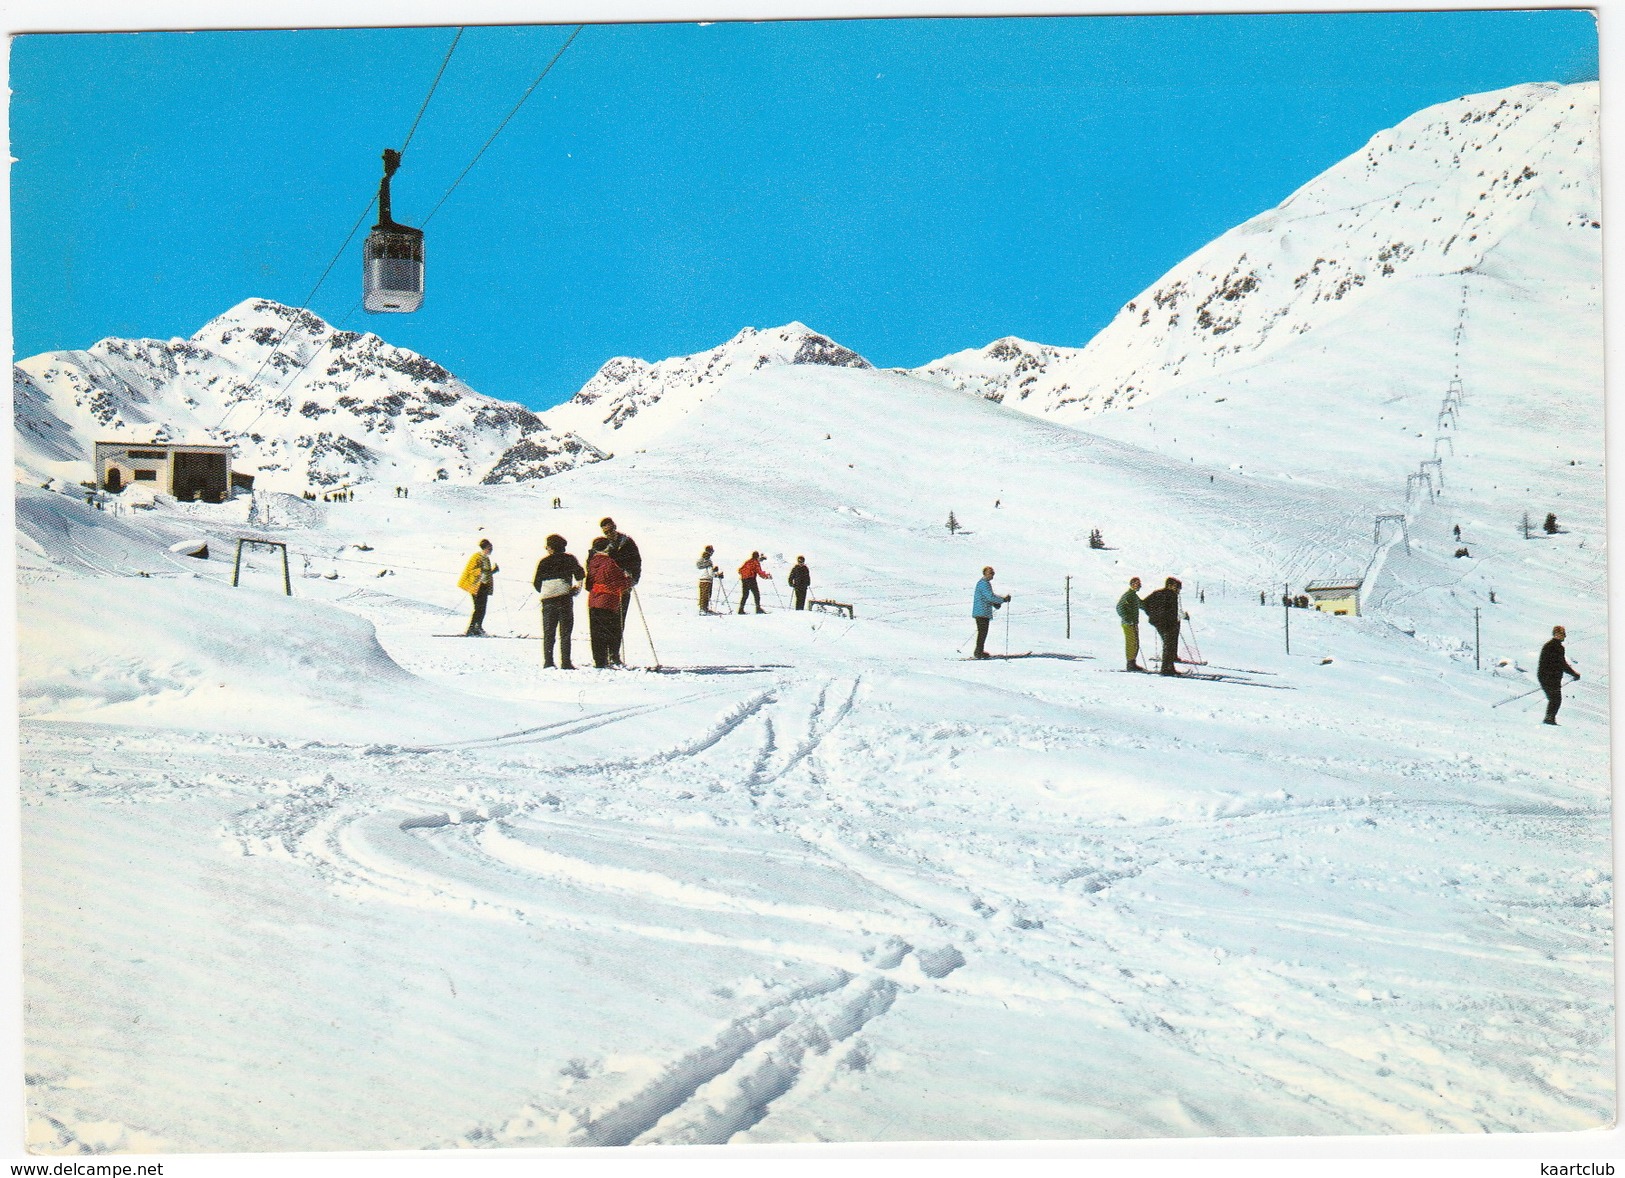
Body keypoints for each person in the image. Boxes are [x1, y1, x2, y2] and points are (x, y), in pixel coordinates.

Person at [532, 534, 586, 669]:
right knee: (565, 632)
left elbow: (536, 583)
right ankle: (566, 662)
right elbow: (580, 574)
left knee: (549, 631)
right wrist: (574, 588)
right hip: (564, 598)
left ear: (551, 548)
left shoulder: (543, 562)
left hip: (548, 599)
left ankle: (548, 661)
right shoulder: (570, 559)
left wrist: (547, 590)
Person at [599, 518, 642, 664]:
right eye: (606, 531)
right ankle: (604, 655)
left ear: (615, 527)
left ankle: (614, 654)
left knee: (619, 621)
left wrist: (633, 578)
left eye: (611, 530)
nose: (609, 533)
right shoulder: (603, 545)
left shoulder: (627, 542)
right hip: (608, 589)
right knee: (606, 621)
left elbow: (637, 561)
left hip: (624, 586)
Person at [585, 537, 630, 668]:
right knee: (608, 630)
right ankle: (608, 658)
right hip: (608, 600)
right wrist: (628, 579)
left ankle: (599, 660)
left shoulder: (592, 562)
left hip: (594, 599)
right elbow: (619, 581)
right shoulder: (610, 562)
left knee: (596, 631)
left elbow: (588, 584)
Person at [1538, 625, 1580, 725]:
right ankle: (1549, 719)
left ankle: (1549, 718)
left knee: (1554, 698)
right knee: (1556, 699)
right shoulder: (1556, 647)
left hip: (1547, 676)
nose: (1563, 637)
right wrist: (1574, 674)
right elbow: (1561, 663)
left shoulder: (1549, 645)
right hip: (1550, 677)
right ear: (1556, 634)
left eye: (1563, 635)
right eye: (1562, 634)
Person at [1140, 577, 1183, 675]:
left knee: (1168, 645)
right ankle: (1166, 669)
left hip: (1158, 622)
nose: (1178, 590)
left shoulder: (1157, 593)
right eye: (1177, 587)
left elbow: (1144, 603)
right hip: (1167, 623)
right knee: (1169, 645)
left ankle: (1169, 667)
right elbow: (1172, 612)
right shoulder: (1171, 595)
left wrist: (1152, 614)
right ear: (1170, 586)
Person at [456, 539, 498, 637]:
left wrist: (493, 571)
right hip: (475, 586)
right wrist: (483, 571)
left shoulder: (486, 558)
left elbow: (486, 573)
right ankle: (473, 628)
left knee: (482, 608)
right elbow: (471, 570)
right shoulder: (476, 557)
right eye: (489, 548)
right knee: (478, 608)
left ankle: (477, 627)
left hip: (483, 586)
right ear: (485, 548)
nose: (491, 549)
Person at [971, 566, 1010, 659]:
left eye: (993, 573)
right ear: (985, 573)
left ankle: (979, 651)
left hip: (982, 612)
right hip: (982, 612)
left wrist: (995, 602)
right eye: (990, 573)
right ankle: (978, 652)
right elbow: (990, 596)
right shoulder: (984, 584)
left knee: (982, 632)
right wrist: (1002, 600)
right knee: (982, 632)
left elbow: (988, 597)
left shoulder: (983, 583)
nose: (992, 575)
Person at [1116, 577, 1145, 671]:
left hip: (1133, 623)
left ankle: (1133, 662)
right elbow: (1119, 607)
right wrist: (1127, 618)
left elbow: (1142, 604)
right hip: (1128, 624)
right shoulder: (1128, 595)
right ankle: (1130, 664)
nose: (1139, 585)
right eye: (1137, 584)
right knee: (1131, 643)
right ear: (1132, 584)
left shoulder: (1134, 595)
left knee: (1135, 643)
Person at [697, 546, 719, 614]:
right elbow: (710, 573)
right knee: (706, 595)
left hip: (702, 579)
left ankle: (702, 608)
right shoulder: (708, 561)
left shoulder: (701, 560)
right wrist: (716, 574)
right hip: (707, 580)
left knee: (702, 595)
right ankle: (704, 609)